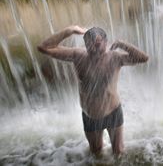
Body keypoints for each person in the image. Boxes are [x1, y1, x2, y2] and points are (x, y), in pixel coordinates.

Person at [37, 26, 148, 155]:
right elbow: (44, 48)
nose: (94, 48)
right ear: (85, 45)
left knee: (119, 152)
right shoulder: (78, 55)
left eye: (98, 44)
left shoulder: (115, 58)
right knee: (96, 152)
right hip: (90, 116)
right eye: (90, 45)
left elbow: (143, 58)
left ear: (106, 43)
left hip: (113, 112)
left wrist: (122, 44)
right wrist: (69, 30)